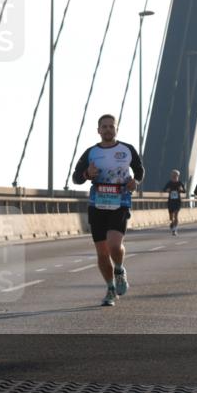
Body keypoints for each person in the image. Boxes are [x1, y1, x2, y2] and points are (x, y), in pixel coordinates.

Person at [72, 114, 144, 306]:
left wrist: (134, 181)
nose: (107, 130)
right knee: (102, 252)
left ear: (116, 129)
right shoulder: (91, 152)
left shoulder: (127, 150)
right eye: (104, 127)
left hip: (119, 201)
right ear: (98, 130)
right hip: (97, 204)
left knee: (114, 245)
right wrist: (88, 173)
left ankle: (119, 269)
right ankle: (111, 289)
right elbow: (76, 178)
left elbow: (139, 171)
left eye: (111, 126)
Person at [162, 169, 186, 236]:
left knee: (176, 215)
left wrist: (181, 190)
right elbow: (164, 189)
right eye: (173, 175)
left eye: (176, 175)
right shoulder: (169, 183)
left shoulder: (180, 183)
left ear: (178, 176)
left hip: (177, 201)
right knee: (171, 217)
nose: (174, 176)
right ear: (171, 175)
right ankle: (172, 224)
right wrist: (167, 190)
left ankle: (175, 229)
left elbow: (184, 191)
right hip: (171, 201)